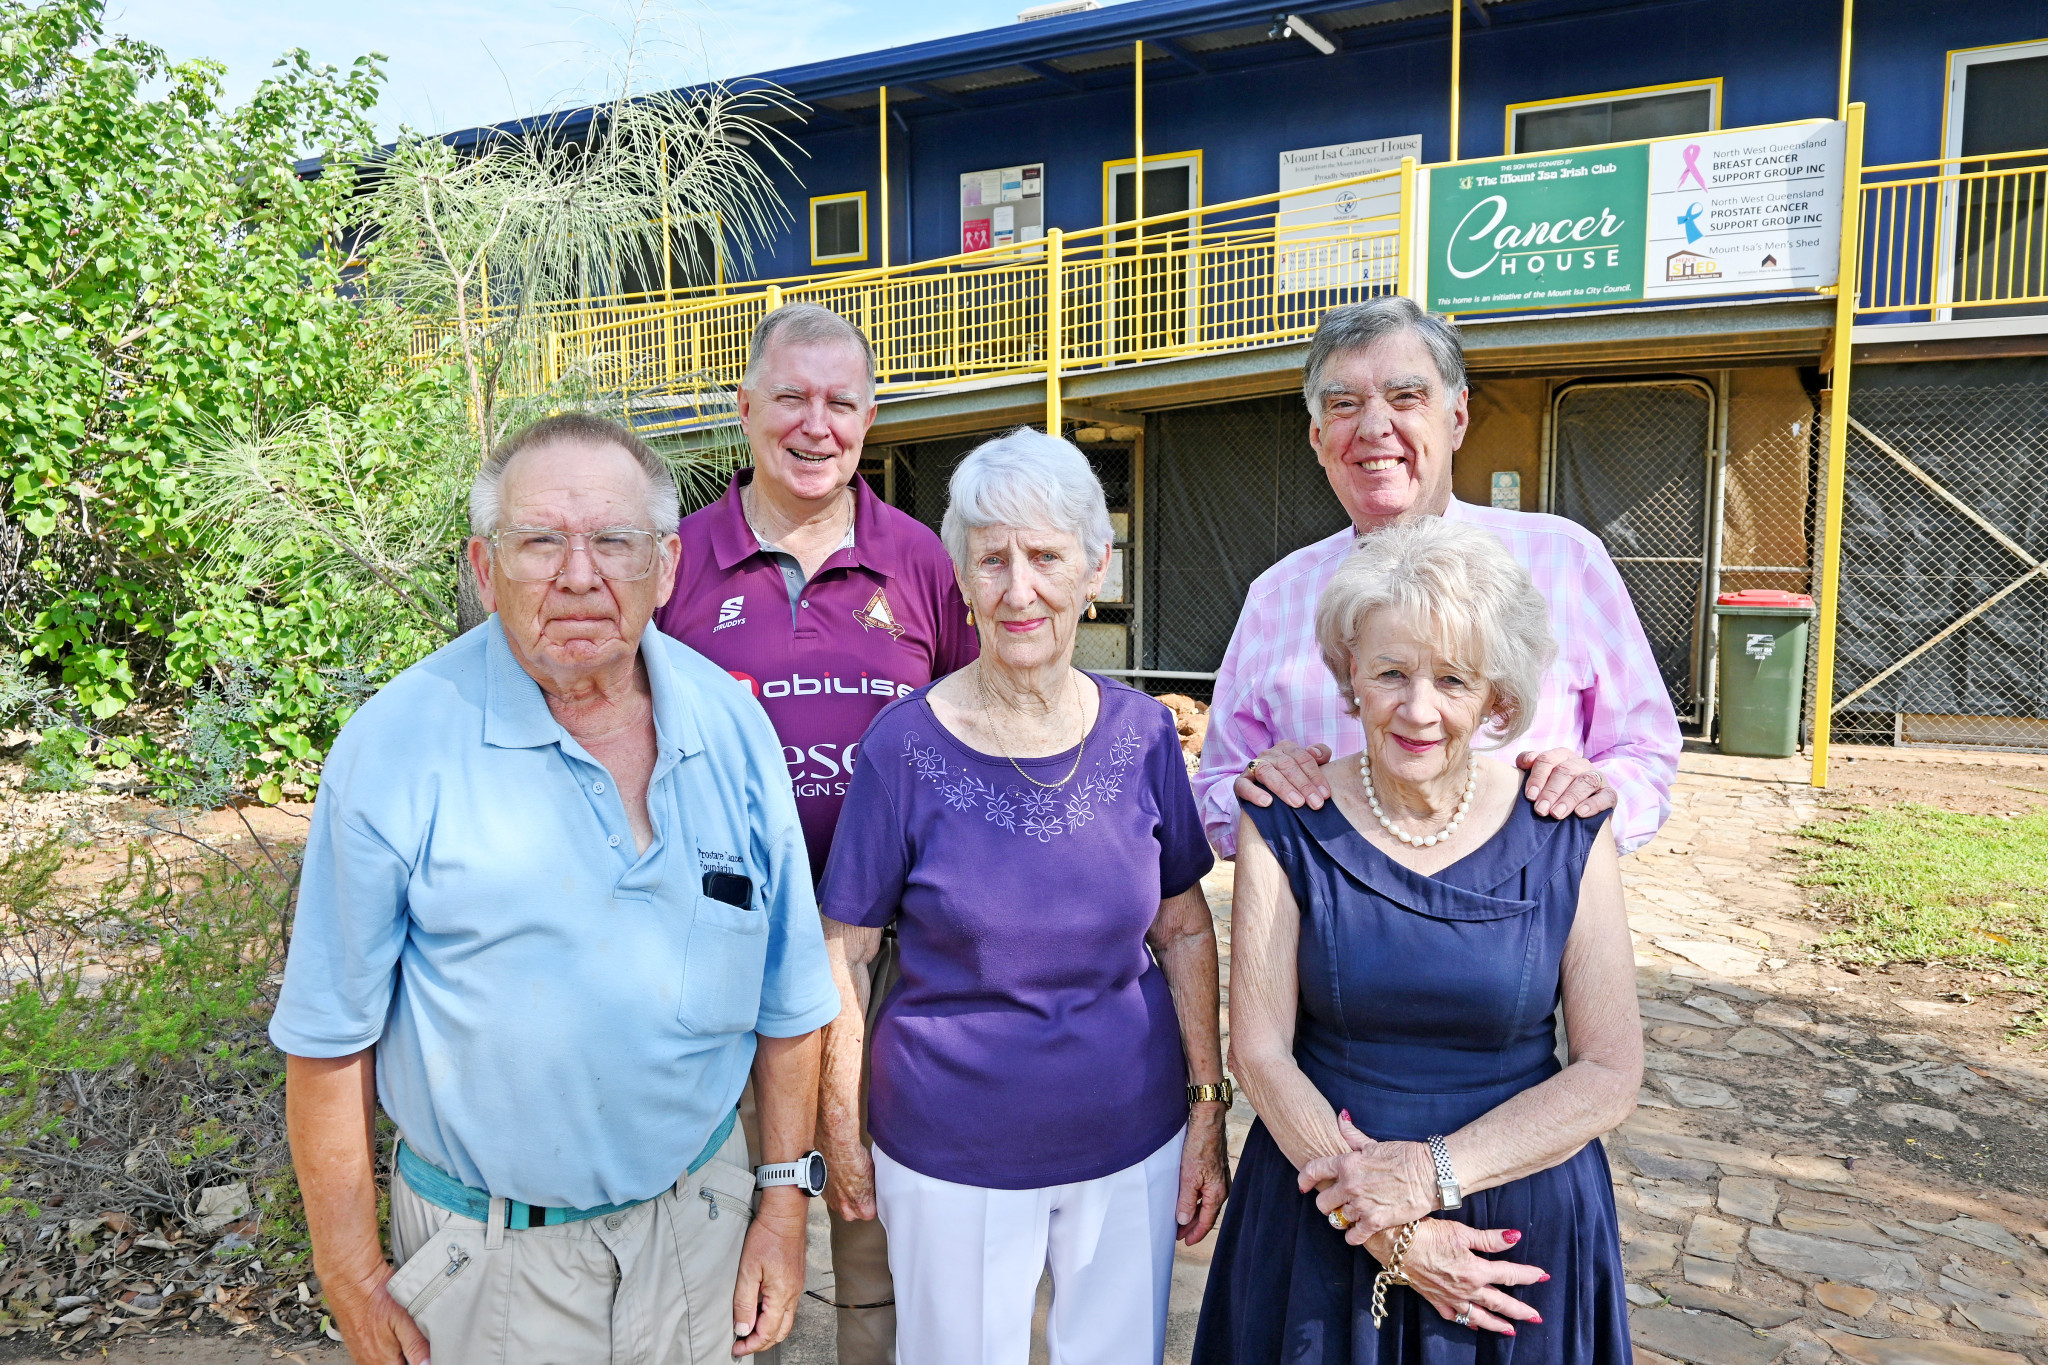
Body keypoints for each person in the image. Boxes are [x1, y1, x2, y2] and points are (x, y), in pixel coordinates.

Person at [271, 414, 842, 1365]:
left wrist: (781, 1201)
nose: (581, 574)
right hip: (488, 1269)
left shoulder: (732, 725)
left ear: (665, 567)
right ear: (485, 569)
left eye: (613, 540)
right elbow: (329, 1039)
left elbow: (790, 1000)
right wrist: (352, 1277)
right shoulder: (396, 748)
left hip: (700, 1240)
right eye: (541, 540)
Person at [815, 428, 1231, 1365]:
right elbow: (845, 950)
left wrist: (1207, 1106)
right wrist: (842, 1132)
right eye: (991, 558)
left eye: (1047, 557)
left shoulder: (1143, 735)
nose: (1019, 587)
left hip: (1133, 1135)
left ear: (1096, 569)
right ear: (959, 575)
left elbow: (1184, 926)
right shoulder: (902, 747)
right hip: (947, 1145)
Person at [1191, 518, 1643, 1364]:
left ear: (1498, 697)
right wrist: (1389, 1233)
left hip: (1515, 1241)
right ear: (1349, 677)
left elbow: (1611, 1071)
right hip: (1322, 1227)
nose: (1419, 707)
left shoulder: (1569, 825)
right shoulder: (1285, 819)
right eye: (1391, 672)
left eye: (1453, 678)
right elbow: (1258, 1052)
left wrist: (1431, 1177)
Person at [655, 302, 977, 1364]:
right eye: (789, 398)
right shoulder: (676, 561)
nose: (814, 424)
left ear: (870, 418)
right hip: (719, 943)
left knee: (869, 1203)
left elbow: (981, 720)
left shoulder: (922, 560)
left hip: (894, 951)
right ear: (743, 409)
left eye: (840, 402)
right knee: (732, 1208)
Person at [1197, 296, 1680, 860]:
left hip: (1523, 919)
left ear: (1457, 417)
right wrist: (1256, 790)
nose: (1375, 428)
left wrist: (1588, 808)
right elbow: (1218, 790)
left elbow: (1643, 751)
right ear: (1317, 436)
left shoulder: (1566, 560)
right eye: (1344, 404)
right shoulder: (1275, 596)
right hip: (1330, 933)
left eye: (1406, 397)